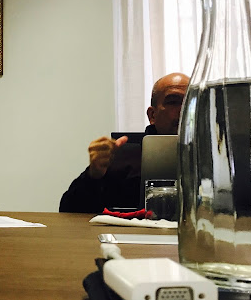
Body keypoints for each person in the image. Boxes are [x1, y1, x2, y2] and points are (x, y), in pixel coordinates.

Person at [59, 73, 189, 213]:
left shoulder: (207, 157)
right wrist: (94, 175)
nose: (184, 109)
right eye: (173, 102)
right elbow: (69, 211)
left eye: (190, 101)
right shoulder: (120, 158)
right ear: (152, 115)